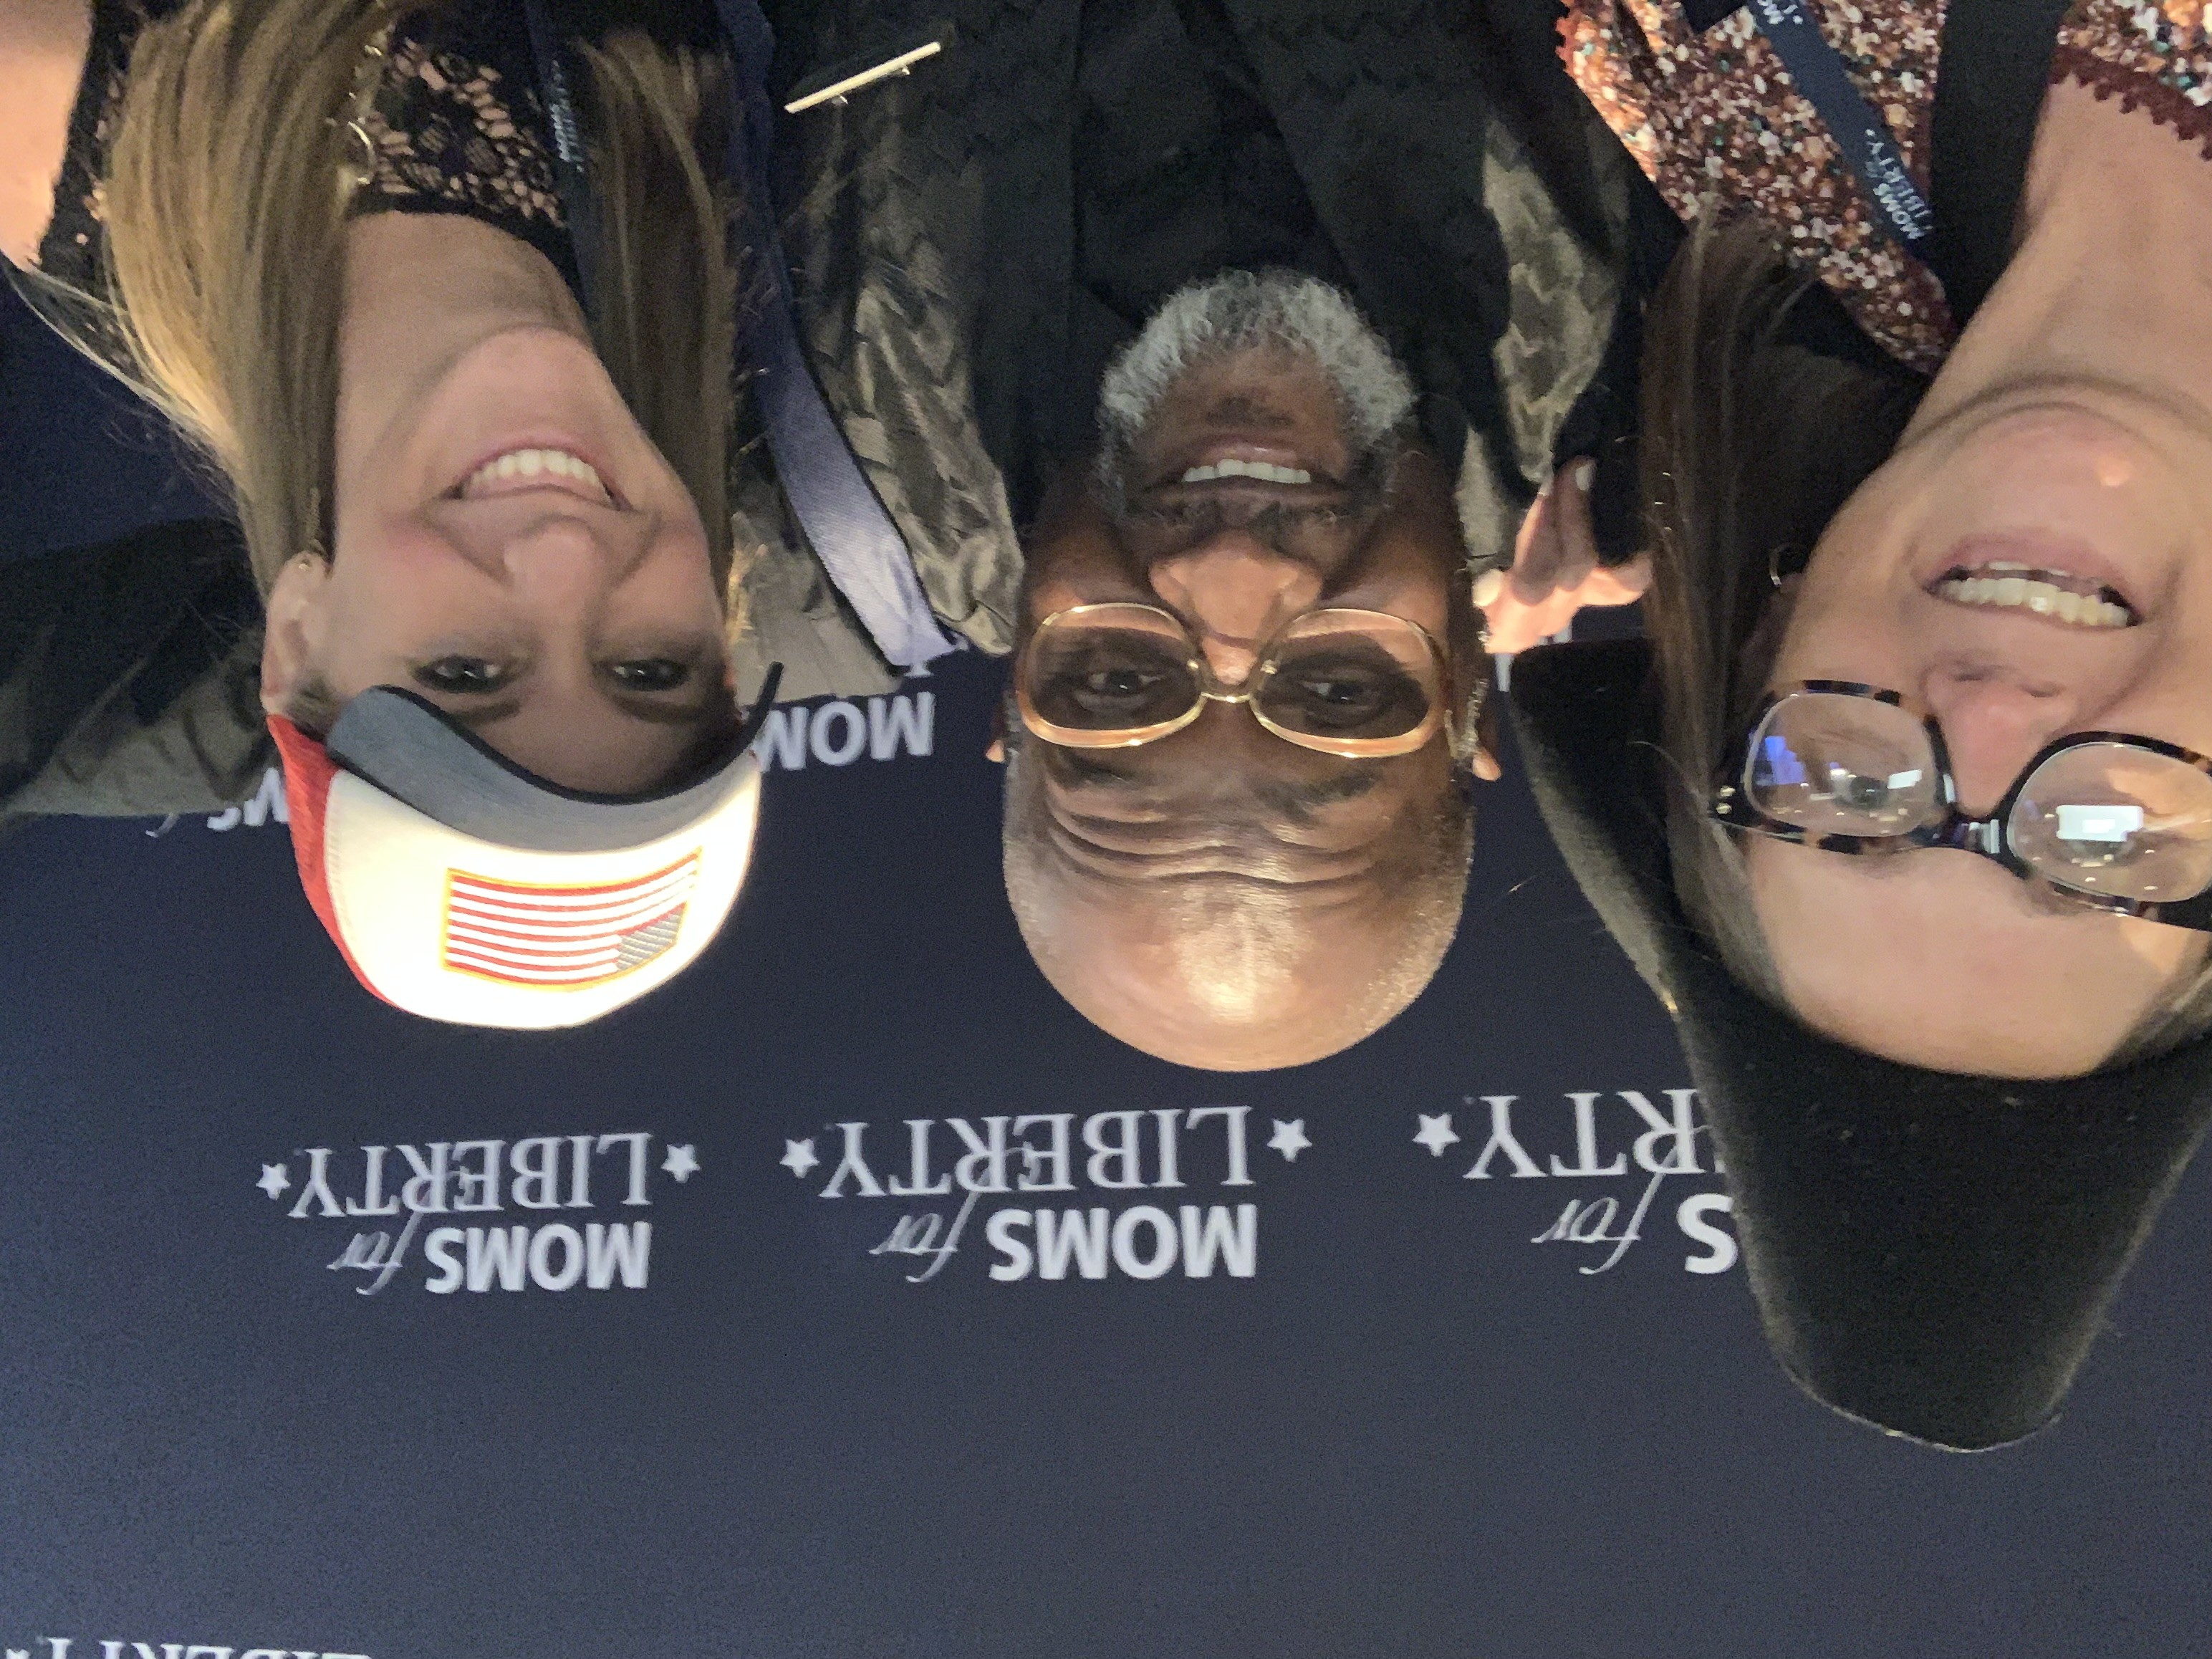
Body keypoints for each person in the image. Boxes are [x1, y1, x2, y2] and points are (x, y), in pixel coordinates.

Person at [1506, 0, 2212, 1446]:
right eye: (2095, 842)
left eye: (1847, 793)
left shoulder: (1731, 100)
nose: (1989, 712)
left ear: (1766, 641)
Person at [739, 0, 1645, 1068]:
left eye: (1118, 682)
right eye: (1341, 692)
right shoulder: (1654, 355)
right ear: (1470, 696)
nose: (1231, 567)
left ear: (1013, 709)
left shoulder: (753, 519)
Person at [1, 0, 774, 1026]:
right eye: (648, 670)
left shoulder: (73, 130)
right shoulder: (777, 224)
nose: (564, 556)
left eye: (464, 671)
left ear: (296, 637)